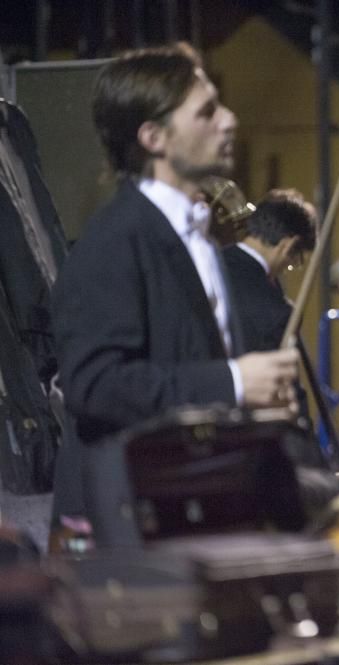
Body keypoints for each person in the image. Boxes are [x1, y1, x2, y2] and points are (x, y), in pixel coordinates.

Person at [50, 43, 300, 542]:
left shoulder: (197, 235)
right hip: (136, 519)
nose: (228, 121)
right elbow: (93, 384)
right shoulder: (115, 239)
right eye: (207, 111)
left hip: (192, 503)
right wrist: (231, 382)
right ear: (153, 137)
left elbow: (182, 364)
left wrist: (249, 407)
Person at [222, 188, 317, 353]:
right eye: (294, 260)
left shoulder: (211, 261)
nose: (287, 268)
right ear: (287, 246)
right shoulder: (274, 310)